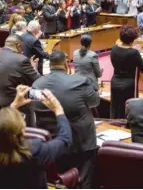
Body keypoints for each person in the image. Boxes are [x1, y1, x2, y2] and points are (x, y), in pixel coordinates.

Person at [32, 50, 100, 188]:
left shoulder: (37, 85)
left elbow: (34, 109)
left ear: (50, 65)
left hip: (51, 143)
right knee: (84, 181)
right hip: (81, 142)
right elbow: (95, 102)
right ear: (66, 65)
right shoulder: (80, 81)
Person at [0, 87, 72, 189]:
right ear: (22, 131)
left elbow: (0, 128)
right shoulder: (35, 151)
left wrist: (14, 105)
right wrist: (58, 110)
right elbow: (65, 140)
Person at [0, 35, 40, 133]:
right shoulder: (21, 60)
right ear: (18, 45)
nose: (23, 51)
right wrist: (34, 68)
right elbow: (38, 82)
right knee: (38, 95)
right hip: (10, 108)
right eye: (22, 48)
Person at [110, 25, 143, 118]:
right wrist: (137, 53)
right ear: (132, 39)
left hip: (114, 81)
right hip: (128, 84)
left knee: (115, 107)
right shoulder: (134, 53)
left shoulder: (114, 48)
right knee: (127, 110)